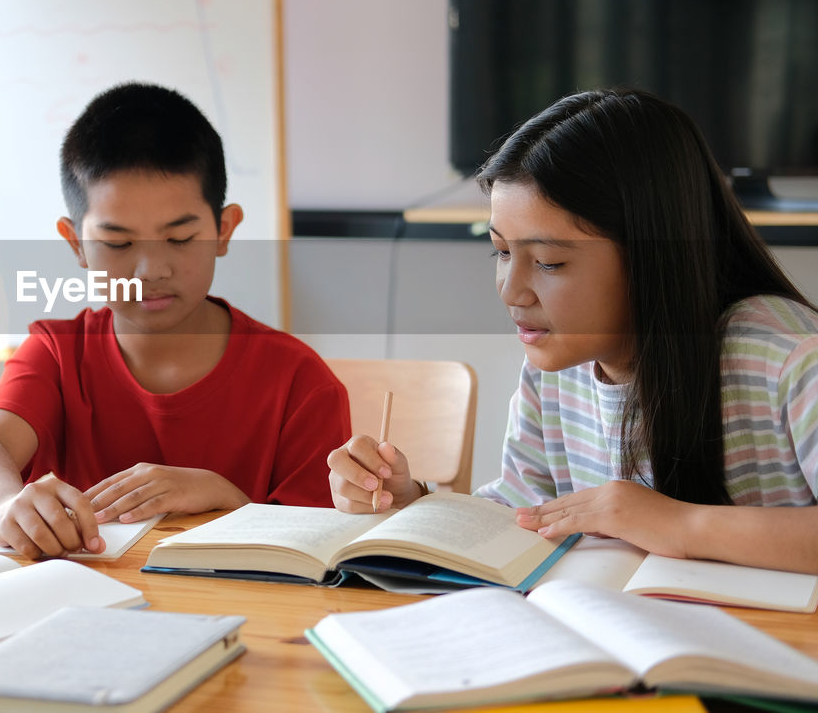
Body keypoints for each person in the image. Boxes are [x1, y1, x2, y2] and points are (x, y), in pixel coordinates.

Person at [327, 88, 818, 573]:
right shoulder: (552, 368)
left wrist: (678, 525)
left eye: (548, 262)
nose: (511, 291)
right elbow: (522, 518)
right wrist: (406, 501)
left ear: (651, 255)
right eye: (501, 252)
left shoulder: (788, 357)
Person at [0, 81, 350, 559]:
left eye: (180, 239)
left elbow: (318, 556)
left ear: (224, 230)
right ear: (75, 243)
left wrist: (229, 501)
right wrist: (0, 506)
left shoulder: (300, 382)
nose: (150, 270)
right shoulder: (57, 354)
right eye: (118, 244)